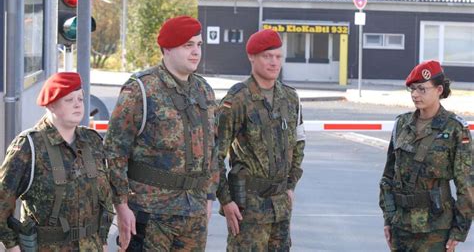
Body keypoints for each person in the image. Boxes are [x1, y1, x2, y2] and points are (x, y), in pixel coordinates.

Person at [104, 15, 219, 251]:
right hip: (150, 211)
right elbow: (114, 150)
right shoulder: (142, 90)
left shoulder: (204, 91)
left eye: (199, 45)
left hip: (193, 212)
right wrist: (121, 205)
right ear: (167, 48)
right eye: (188, 45)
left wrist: (209, 196)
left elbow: (211, 148)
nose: (196, 52)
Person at [0, 72, 113, 251]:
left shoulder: (92, 142)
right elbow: (2, 201)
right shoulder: (30, 145)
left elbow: (104, 196)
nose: (77, 104)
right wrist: (12, 245)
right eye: (69, 100)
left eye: (80, 99)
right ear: (51, 105)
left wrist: (104, 239)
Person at [216, 29, 305, 251]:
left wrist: (291, 185)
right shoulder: (237, 99)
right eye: (267, 56)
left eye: (278, 56)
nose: (274, 62)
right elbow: (214, 155)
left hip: (281, 206)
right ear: (251, 57)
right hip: (249, 208)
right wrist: (226, 201)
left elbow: (298, 143)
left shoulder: (290, 98)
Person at [379, 60, 473, 252]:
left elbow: (467, 185)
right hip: (401, 226)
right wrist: (388, 218)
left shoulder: (455, 129)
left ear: (439, 90)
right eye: (412, 89)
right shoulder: (402, 124)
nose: (415, 94)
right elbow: (389, 176)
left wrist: (458, 230)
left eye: (422, 89)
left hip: (436, 229)